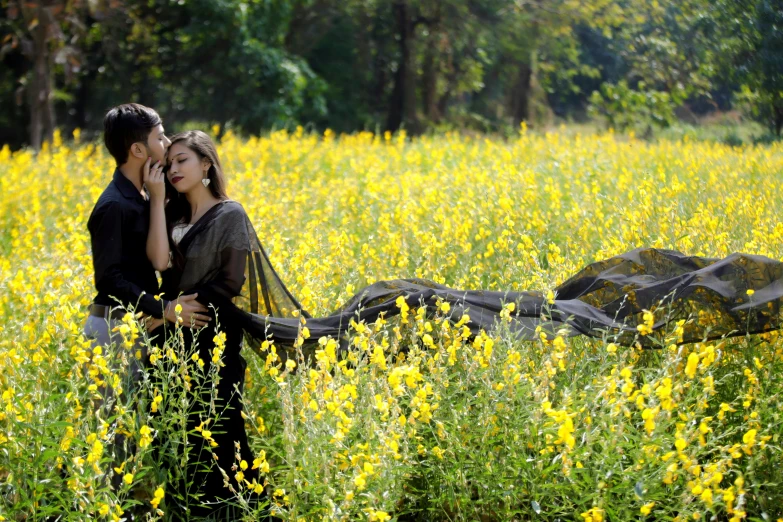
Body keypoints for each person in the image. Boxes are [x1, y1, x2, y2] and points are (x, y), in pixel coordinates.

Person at [148, 129, 783, 515]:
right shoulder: (174, 216)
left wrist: (194, 303)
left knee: (411, 310)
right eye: (167, 161)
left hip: (216, 325)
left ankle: (235, 502)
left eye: (183, 160)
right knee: (212, 417)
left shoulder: (228, 214)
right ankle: (221, 498)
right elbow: (160, 265)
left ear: (206, 164)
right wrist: (156, 209)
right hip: (193, 331)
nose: (175, 168)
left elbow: (225, 283)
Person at [83, 104, 212, 489]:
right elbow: (110, 279)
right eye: (159, 137)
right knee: (111, 436)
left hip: (133, 326)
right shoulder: (114, 206)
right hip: (112, 328)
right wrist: (164, 309)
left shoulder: (142, 196)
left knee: (129, 429)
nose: (167, 142)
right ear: (139, 150)